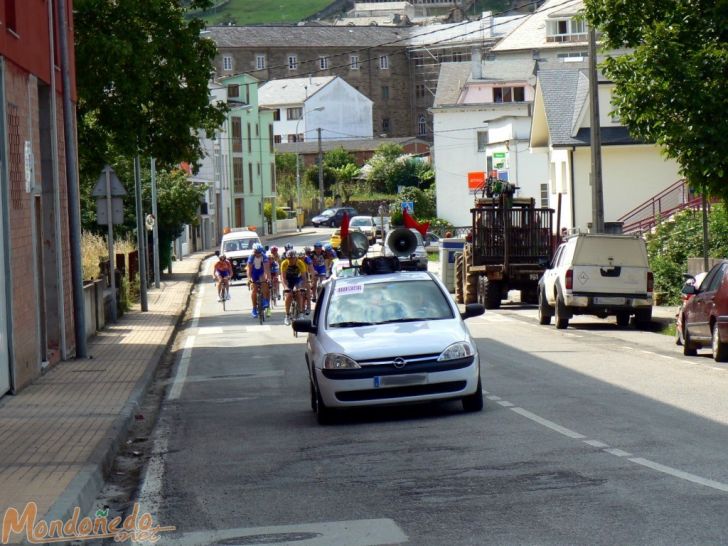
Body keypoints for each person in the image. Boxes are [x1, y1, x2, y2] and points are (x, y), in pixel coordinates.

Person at [280, 249, 307, 325]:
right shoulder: (284, 263)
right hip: (288, 279)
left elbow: (304, 277)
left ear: (296, 258)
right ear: (287, 258)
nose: (291, 260)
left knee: (298, 293)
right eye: (289, 258)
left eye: (293, 258)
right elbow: (283, 278)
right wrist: (285, 287)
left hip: (297, 279)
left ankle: (301, 313)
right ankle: (287, 315)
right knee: (289, 295)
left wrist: (303, 287)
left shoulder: (300, 263)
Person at [246, 244, 271, 318]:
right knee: (254, 290)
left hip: (261, 272)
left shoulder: (264, 257)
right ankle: (254, 308)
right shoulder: (251, 257)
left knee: (264, 282)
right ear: (254, 251)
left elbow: (267, 270)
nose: (258, 254)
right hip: (253, 273)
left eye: (259, 252)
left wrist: (268, 278)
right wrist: (249, 279)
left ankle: (264, 300)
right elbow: (249, 270)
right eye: (256, 252)